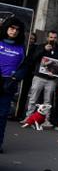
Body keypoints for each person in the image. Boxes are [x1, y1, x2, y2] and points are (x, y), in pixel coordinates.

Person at [24, 30, 58, 126]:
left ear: (57, 38)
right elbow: (33, 58)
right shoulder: (40, 47)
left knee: (48, 100)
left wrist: (55, 73)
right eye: (51, 37)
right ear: (47, 38)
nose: (53, 39)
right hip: (39, 76)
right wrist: (44, 50)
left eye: (55, 37)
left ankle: (46, 120)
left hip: (51, 79)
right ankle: (28, 117)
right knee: (33, 98)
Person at [0, 18, 29, 152]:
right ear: (6, 28)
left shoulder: (21, 48)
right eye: (12, 28)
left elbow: (24, 67)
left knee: (2, 116)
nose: (14, 31)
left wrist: (16, 77)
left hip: (8, 84)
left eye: (17, 29)